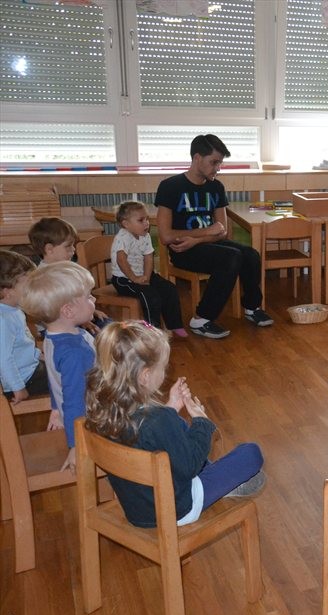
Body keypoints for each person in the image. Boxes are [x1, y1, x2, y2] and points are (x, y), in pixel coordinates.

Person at [84, 321, 265, 528]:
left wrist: (170, 408)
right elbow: (190, 467)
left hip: (136, 510)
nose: (165, 372)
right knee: (251, 452)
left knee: (178, 427)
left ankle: (219, 479)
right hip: (179, 508)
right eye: (163, 367)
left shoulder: (102, 412)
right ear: (145, 376)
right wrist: (202, 423)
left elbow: (149, 437)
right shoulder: (159, 420)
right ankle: (222, 483)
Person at [154, 134, 272, 339]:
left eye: (220, 163)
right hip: (183, 251)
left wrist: (199, 238)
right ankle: (201, 319)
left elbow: (222, 231)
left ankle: (252, 308)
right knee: (231, 257)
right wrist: (206, 232)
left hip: (206, 243)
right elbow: (165, 236)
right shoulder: (170, 186)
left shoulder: (216, 187)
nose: (218, 168)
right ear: (197, 158)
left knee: (251, 254)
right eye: (214, 162)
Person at [18, 261, 98, 471]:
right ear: (68, 311)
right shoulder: (74, 352)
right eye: (89, 296)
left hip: (82, 418)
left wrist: (55, 409)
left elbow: (57, 382)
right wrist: (75, 445)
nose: (94, 299)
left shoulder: (53, 337)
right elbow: (75, 401)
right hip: (94, 424)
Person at [109, 201, 187, 337]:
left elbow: (148, 257)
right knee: (150, 296)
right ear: (126, 224)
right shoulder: (123, 237)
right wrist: (135, 278)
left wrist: (147, 277)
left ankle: (175, 325)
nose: (146, 223)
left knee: (169, 289)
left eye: (147, 219)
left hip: (143, 275)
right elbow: (121, 260)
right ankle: (153, 332)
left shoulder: (145, 236)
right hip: (124, 279)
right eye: (141, 220)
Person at [0, 250, 48, 404]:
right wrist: (18, 387)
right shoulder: (4, 320)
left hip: (28, 369)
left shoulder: (13, 309)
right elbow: (3, 359)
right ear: (7, 292)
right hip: (23, 380)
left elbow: (21, 345)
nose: (32, 290)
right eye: (28, 286)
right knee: (68, 378)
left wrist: (38, 355)